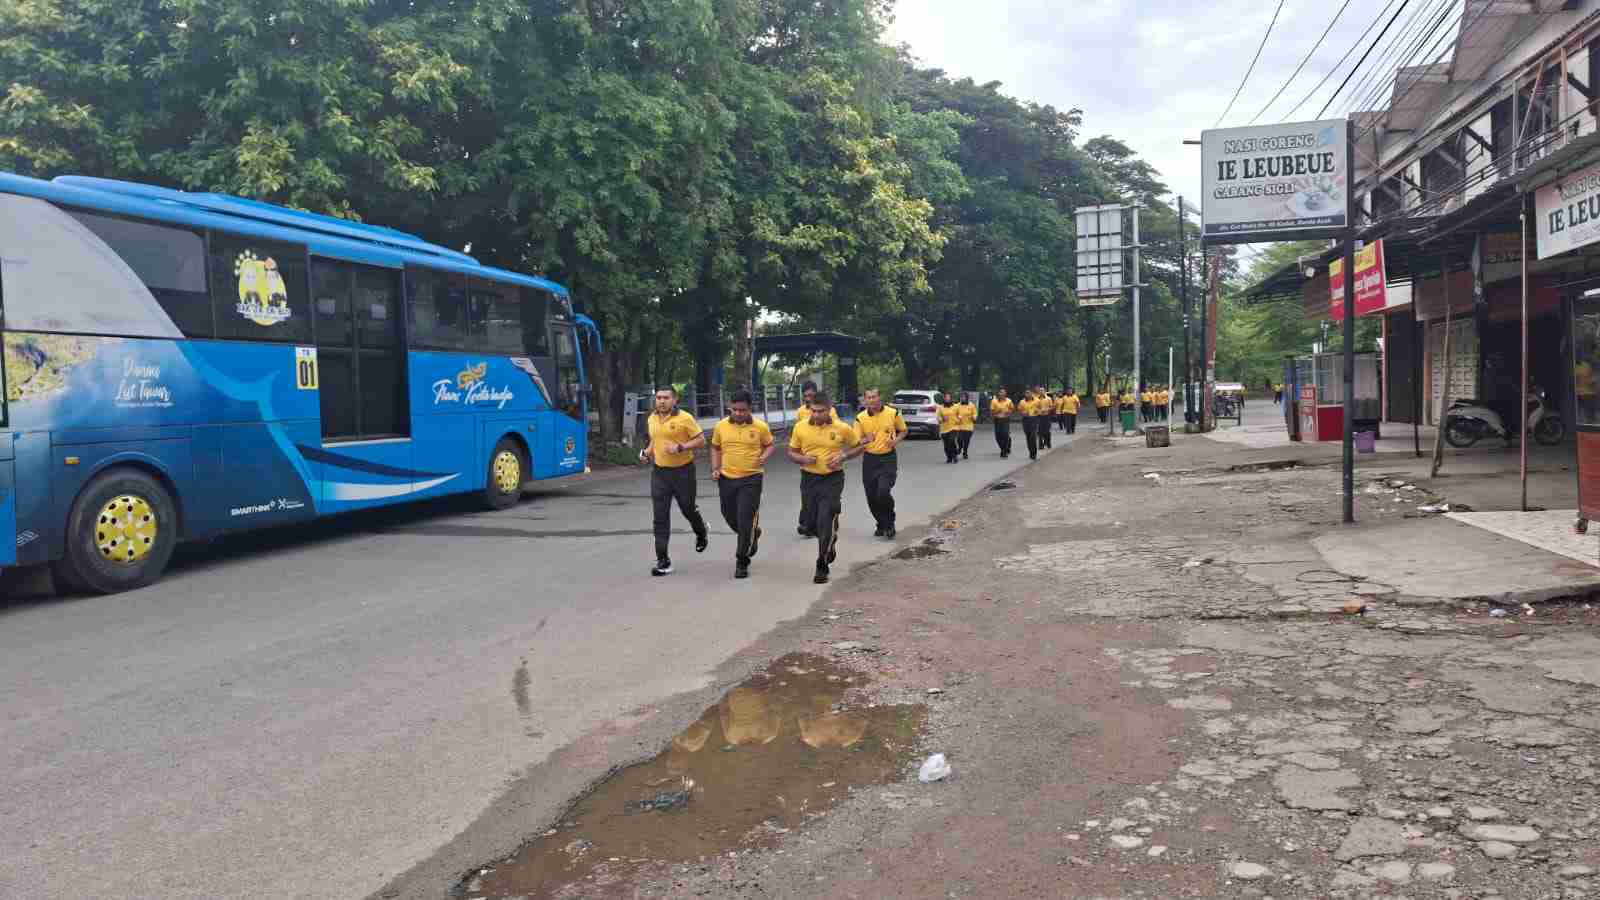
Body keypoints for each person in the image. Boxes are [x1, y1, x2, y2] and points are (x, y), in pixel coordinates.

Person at [788, 392, 865, 584]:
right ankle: (830, 539)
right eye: (813, 410)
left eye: (820, 411)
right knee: (810, 524)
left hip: (833, 479)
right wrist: (803, 459)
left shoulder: (842, 428)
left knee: (825, 519)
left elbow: (858, 447)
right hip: (809, 479)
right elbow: (792, 452)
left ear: (830, 409)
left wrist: (843, 457)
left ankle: (821, 564)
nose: (816, 415)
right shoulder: (800, 427)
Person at [640, 386, 710, 576]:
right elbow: (655, 441)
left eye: (666, 398)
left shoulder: (685, 418)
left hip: (683, 472)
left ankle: (701, 530)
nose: (661, 401)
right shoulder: (651, 418)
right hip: (660, 473)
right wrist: (646, 453)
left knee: (688, 508)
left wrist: (680, 447)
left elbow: (701, 440)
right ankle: (663, 561)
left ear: (675, 399)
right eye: (659, 398)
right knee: (660, 517)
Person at [710, 389, 776, 580]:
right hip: (727, 477)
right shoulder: (721, 426)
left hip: (752, 478)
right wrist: (715, 468)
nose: (738, 413)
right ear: (730, 407)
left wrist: (763, 457)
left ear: (750, 409)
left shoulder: (760, 427)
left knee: (745, 517)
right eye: (735, 410)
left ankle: (742, 561)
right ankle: (752, 534)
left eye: (743, 410)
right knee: (729, 515)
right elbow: (715, 447)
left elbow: (770, 445)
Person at [856, 388, 907, 539]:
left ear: (880, 397)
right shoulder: (860, 418)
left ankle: (889, 523)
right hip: (870, 460)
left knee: (883, 492)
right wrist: (866, 439)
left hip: (888, 458)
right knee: (871, 497)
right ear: (865, 400)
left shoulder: (893, 413)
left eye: (874, 396)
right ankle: (881, 524)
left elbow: (903, 430)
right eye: (868, 397)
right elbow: (856, 440)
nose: (872, 400)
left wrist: (895, 441)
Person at [796, 380, 842, 537]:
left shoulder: (830, 411)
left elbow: (837, 430)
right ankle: (807, 522)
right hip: (807, 461)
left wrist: (839, 455)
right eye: (806, 396)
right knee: (808, 498)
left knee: (827, 501)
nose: (808, 398)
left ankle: (829, 518)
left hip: (828, 462)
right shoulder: (801, 411)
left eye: (811, 395)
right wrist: (801, 456)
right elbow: (800, 433)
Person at [990, 388, 1015, 458]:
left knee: (1005, 435)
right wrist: (997, 412)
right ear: (999, 394)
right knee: (998, 436)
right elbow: (991, 411)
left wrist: (1008, 412)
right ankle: (1003, 448)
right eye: (1000, 392)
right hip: (997, 419)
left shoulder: (1009, 401)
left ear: (1005, 394)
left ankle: (1004, 451)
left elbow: (1012, 409)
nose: (1002, 394)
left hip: (1005, 419)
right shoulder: (994, 401)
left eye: (1003, 392)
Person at [938, 393, 962, 463]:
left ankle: (954, 456)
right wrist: (942, 419)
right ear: (944, 399)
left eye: (949, 397)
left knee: (951, 441)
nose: (947, 399)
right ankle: (949, 457)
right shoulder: (941, 407)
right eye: (946, 398)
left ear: (951, 398)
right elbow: (938, 417)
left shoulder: (955, 406)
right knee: (946, 445)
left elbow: (960, 414)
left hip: (954, 427)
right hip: (944, 429)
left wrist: (959, 419)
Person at [956, 391, 977, 459]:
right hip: (959, 426)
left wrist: (973, 417)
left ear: (967, 398)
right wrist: (957, 417)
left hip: (969, 426)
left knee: (966, 440)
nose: (962, 398)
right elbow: (954, 414)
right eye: (961, 397)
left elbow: (975, 414)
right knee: (959, 439)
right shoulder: (957, 405)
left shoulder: (971, 405)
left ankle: (965, 452)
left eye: (964, 397)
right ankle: (960, 447)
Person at [1021, 389, 1041, 459]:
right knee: (1028, 436)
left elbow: (1040, 409)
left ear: (1032, 393)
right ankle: (1030, 451)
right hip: (1025, 420)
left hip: (1034, 419)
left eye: (1029, 393)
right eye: (1026, 393)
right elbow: (1020, 410)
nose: (1027, 394)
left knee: (1033, 436)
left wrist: (1037, 411)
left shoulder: (1037, 401)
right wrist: (1023, 413)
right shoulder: (1022, 402)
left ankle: (1034, 453)